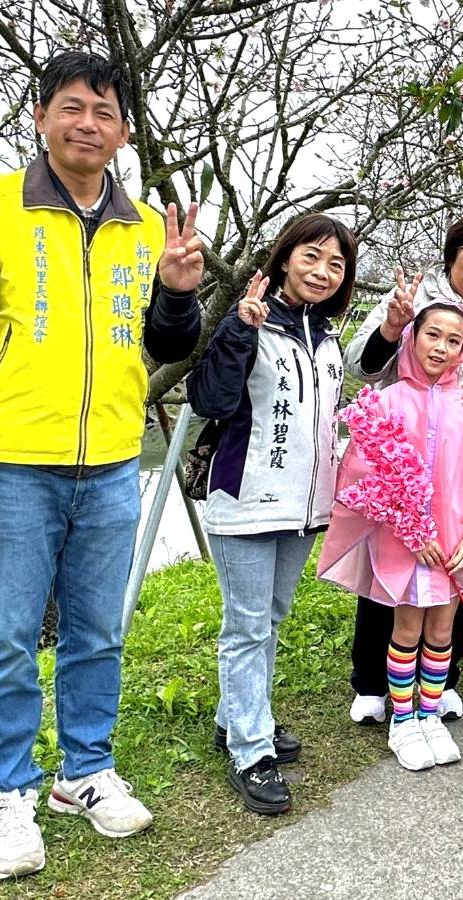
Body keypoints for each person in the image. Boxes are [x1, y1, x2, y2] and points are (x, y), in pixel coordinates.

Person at [0, 51, 203, 880]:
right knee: (7, 638)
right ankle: (8, 789)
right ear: (41, 116)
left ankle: (85, 771)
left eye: (104, 112)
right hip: (10, 466)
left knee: (97, 631)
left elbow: (168, 345)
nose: (88, 124)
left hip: (112, 462)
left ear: (124, 130)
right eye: (72, 106)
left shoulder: (147, 226)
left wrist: (179, 292)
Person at [188, 213, 356, 815]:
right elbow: (209, 399)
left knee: (272, 617)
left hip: (303, 504)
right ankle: (251, 749)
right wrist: (237, 331)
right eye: (312, 256)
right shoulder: (252, 321)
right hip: (245, 500)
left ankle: (235, 718)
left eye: (336, 264)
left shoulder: (329, 339)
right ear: (284, 259)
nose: (322, 271)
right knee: (247, 624)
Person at [342, 212, 463, 725]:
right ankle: (373, 682)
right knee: (389, 576)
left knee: (452, 576)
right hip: (400, 463)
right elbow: (361, 365)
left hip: (460, 467)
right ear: (453, 253)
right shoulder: (410, 299)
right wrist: (392, 326)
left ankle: (441, 682)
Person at [318, 304, 463, 770]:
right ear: (413, 337)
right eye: (433, 335)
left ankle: (430, 714)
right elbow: (365, 476)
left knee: (442, 631)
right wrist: (407, 530)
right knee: (406, 629)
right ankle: (402, 719)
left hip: (452, 543)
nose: (440, 347)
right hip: (404, 544)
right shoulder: (388, 401)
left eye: (453, 340)